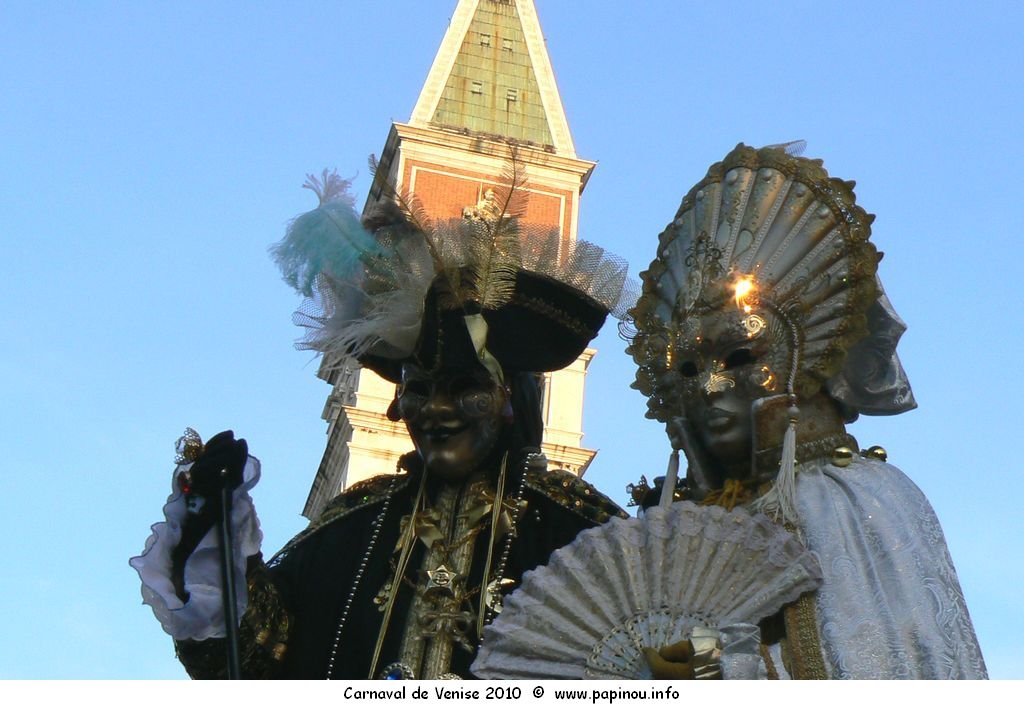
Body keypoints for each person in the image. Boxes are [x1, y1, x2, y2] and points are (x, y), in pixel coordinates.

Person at [131, 165, 632, 679]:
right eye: (419, 390)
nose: (437, 410)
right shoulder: (354, 525)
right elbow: (252, 658)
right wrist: (211, 529)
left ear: (510, 400)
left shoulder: (583, 533)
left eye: (464, 389)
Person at [625, 143, 987, 679]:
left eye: (740, 356)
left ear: (806, 361)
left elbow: (865, 668)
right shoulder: (679, 523)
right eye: (689, 369)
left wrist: (724, 666)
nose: (708, 388)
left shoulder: (852, 499)